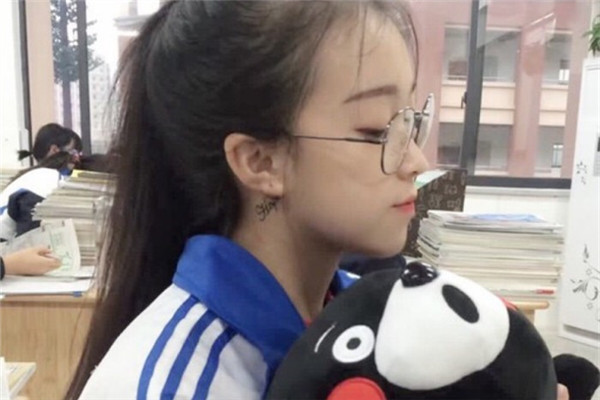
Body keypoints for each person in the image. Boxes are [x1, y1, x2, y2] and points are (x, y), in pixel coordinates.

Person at [67, 2, 569, 400]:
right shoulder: (174, 385)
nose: (416, 160)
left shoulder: (379, 318)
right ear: (261, 161)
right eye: (378, 130)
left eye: (411, 120)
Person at [0, 124, 82, 241]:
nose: (77, 158)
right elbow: (28, 238)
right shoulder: (46, 178)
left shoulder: (32, 175)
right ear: (54, 150)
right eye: (74, 152)